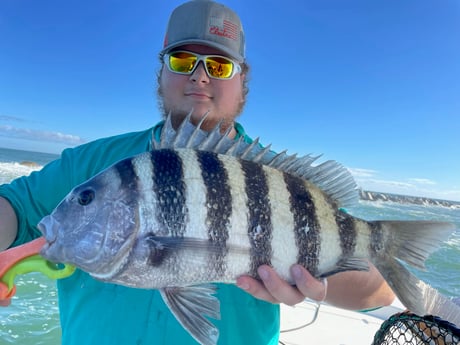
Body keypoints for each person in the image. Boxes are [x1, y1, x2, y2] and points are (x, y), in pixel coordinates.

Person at [0, 1, 395, 344]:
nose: (200, 75)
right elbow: (13, 208)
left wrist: (318, 284)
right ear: (161, 74)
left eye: (220, 64)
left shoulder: (277, 181)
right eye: (183, 60)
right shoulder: (91, 164)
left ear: (243, 83)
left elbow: (375, 295)